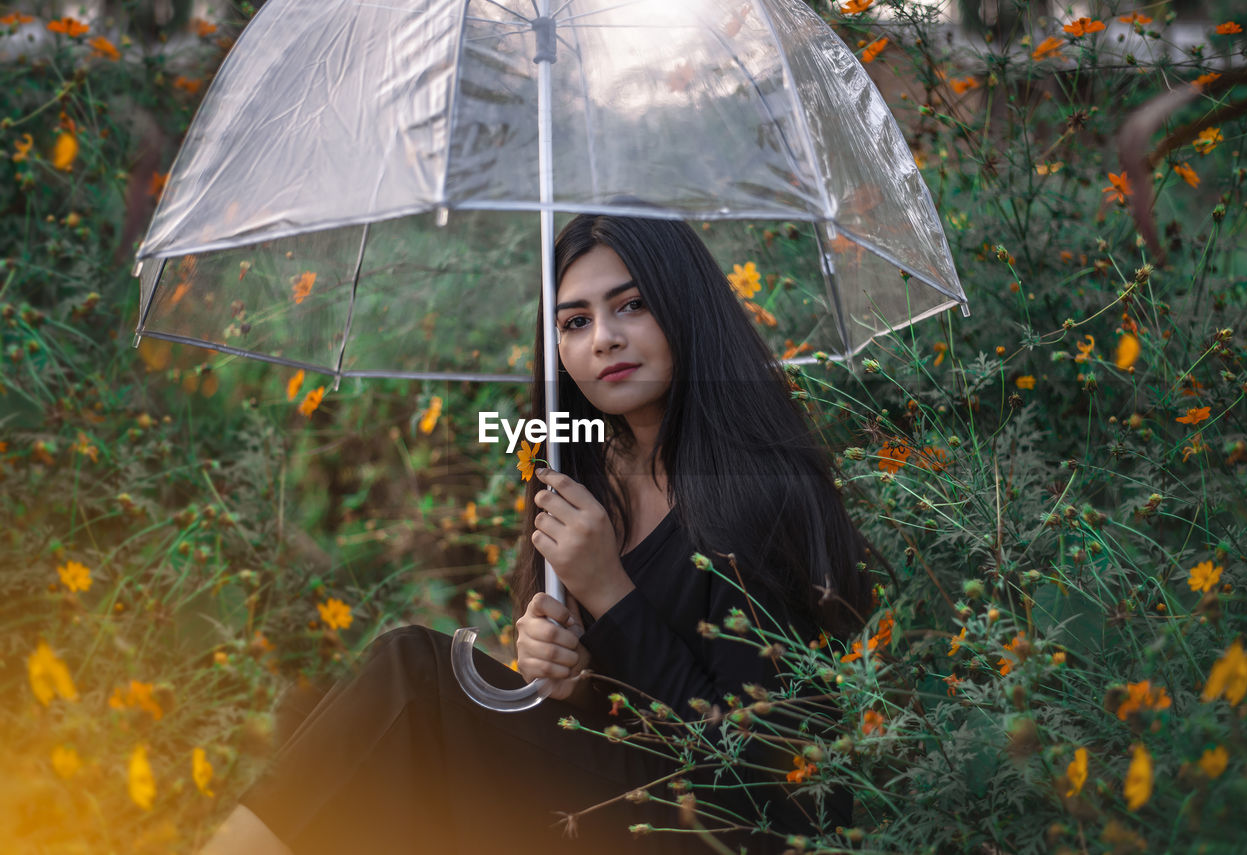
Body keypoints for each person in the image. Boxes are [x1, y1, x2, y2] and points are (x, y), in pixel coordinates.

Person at [197, 213, 873, 855]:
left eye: (631, 305)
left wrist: (611, 593)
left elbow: (753, 779)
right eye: (574, 321)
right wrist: (558, 670)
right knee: (393, 724)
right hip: (605, 805)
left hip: (715, 829)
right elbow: (602, 718)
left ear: (686, 308)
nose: (602, 337)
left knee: (413, 675)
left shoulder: (765, 493)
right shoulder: (584, 481)